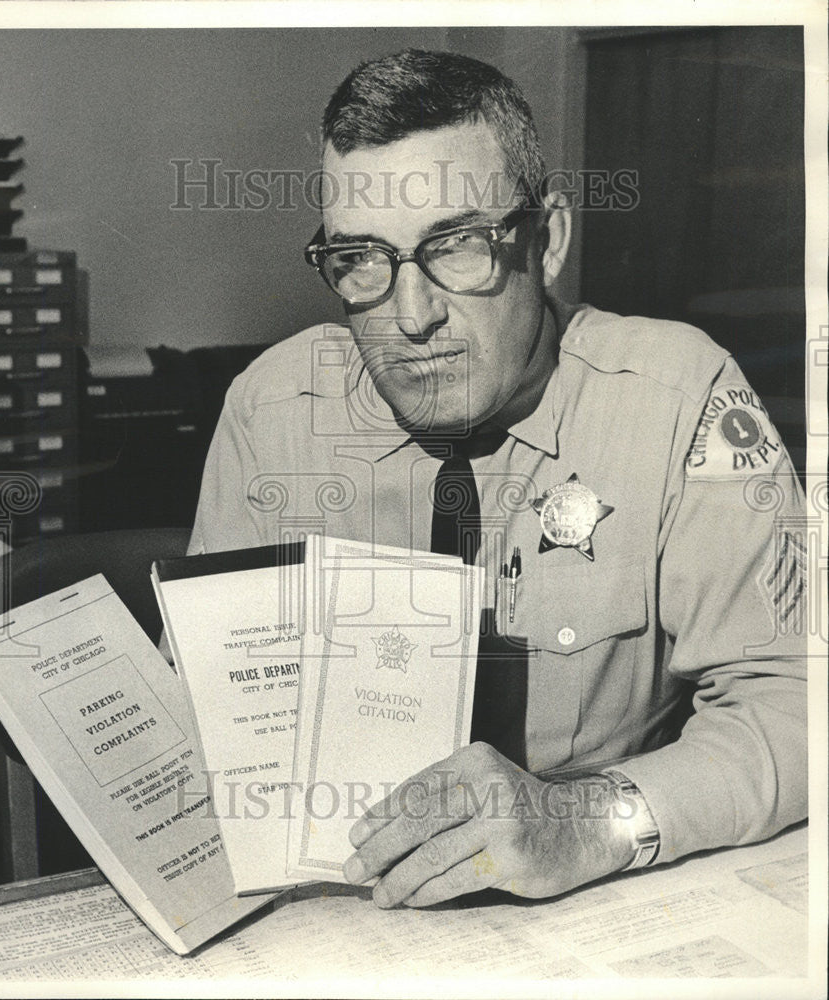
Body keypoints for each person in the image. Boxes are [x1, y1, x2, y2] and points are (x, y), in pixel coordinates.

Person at [187, 49, 807, 908]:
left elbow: (797, 704)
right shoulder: (270, 411)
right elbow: (205, 728)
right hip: (338, 917)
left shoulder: (679, 400)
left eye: (457, 246)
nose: (411, 317)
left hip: (596, 904)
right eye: (362, 259)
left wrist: (588, 822)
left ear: (546, 238)